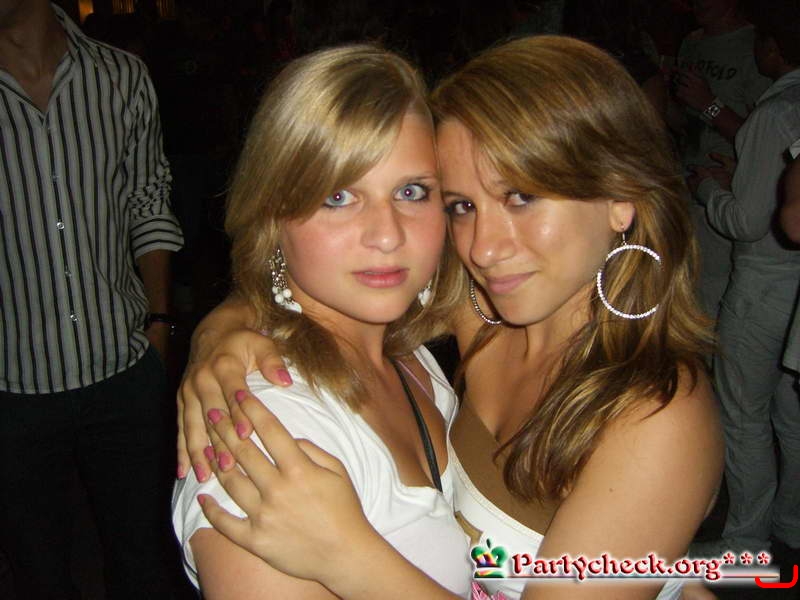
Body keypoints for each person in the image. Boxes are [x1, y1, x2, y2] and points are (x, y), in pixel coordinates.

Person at [179, 36, 723, 600]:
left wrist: (347, 554)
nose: (483, 249)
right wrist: (220, 333)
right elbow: (324, 277)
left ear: (620, 199)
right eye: (462, 206)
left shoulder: (659, 414)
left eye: (521, 197)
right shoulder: (483, 315)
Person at [171, 44, 474, 598]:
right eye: (338, 196)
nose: (387, 235)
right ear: (272, 215)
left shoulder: (410, 360)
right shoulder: (267, 432)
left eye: (411, 192)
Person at [0, 2, 183, 599]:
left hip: (124, 370)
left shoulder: (121, 76)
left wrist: (159, 324)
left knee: (146, 562)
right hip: (12, 387)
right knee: (39, 575)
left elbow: (149, 200)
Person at [688, 0, 800, 555]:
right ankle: (790, 524)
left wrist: (707, 188)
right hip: (794, 289)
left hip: (762, 284)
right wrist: (744, 176)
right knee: (788, 413)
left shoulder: (774, 112)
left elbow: (749, 222)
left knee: (742, 414)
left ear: (772, 48)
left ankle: (746, 541)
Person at [671, 0, 771, 323]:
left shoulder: (757, 46)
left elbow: (767, 141)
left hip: (724, 192)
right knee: (679, 297)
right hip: (684, 186)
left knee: (709, 306)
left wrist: (709, 105)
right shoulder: (691, 42)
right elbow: (682, 122)